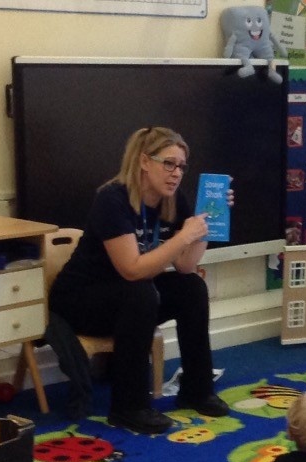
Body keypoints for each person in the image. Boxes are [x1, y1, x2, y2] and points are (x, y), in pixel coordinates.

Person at [48, 127, 230, 434]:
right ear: (145, 161)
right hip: (80, 299)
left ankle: (197, 390)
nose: (176, 173)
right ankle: (128, 407)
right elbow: (131, 269)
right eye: (169, 163)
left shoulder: (172, 198)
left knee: (191, 288)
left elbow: (185, 265)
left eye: (182, 166)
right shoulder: (112, 199)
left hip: (129, 295)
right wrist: (183, 235)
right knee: (140, 292)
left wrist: (208, 224)